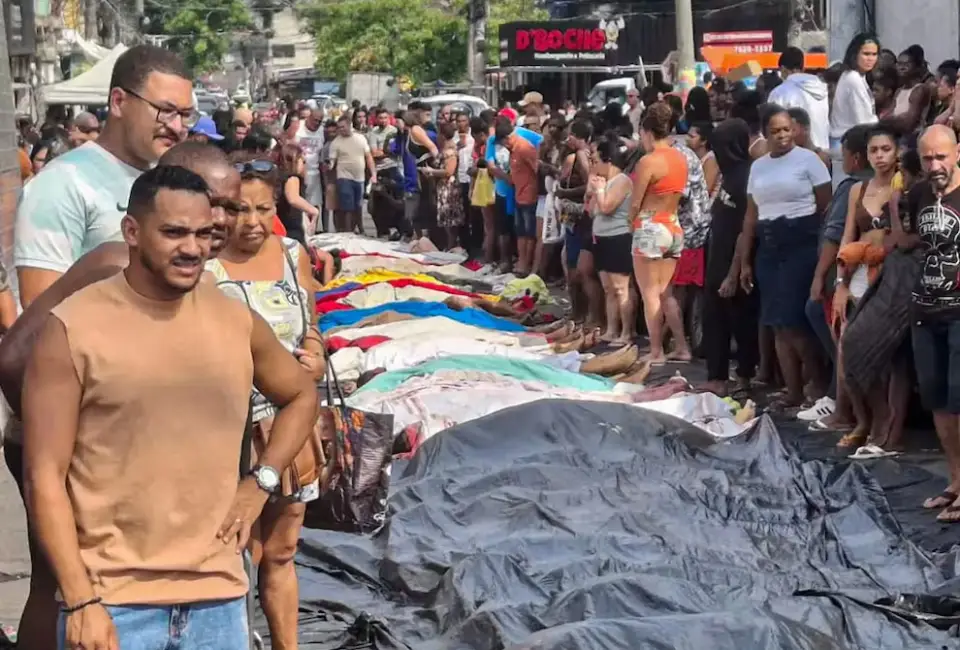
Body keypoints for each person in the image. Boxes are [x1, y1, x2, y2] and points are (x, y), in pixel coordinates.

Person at [21, 165, 319, 650]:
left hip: (218, 601)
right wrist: (79, 600)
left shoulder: (234, 320)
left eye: (203, 234)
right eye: (174, 233)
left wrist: (260, 482)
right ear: (132, 232)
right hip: (113, 603)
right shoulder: (73, 328)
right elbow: (44, 477)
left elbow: (301, 394)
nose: (193, 248)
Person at [206, 157, 325, 649]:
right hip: (229, 431)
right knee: (238, 553)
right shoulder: (204, 265)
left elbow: (311, 321)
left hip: (291, 426)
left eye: (263, 209)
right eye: (239, 209)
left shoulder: (293, 253)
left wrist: (315, 354)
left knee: (282, 550)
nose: (252, 222)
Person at [14, 44, 195, 307]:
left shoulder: (174, 178)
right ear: (119, 102)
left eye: (185, 115)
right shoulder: (62, 183)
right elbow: (39, 303)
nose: (177, 127)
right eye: (165, 111)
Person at [738, 106, 833, 410]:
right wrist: (745, 261)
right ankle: (792, 391)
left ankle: (817, 385)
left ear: (794, 130)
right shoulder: (758, 167)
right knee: (776, 323)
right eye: (775, 131)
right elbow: (751, 215)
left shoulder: (809, 160)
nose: (782, 136)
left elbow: (825, 206)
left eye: (786, 129)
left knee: (794, 321)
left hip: (800, 242)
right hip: (768, 245)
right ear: (765, 133)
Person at [895, 125, 960, 520]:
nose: (935, 165)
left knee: (959, 398)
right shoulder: (918, 194)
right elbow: (908, 243)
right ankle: (955, 481)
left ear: (957, 153)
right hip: (925, 310)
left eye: (941, 157)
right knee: (937, 400)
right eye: (927, 158)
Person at [801, 124, 872, 431]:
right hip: (855, 271)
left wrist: (820, 276)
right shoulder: (869, 185)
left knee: (830, 326)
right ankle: (837, 394)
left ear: (855, 158)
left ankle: (839, 399)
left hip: (844, 272)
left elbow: (835, 236)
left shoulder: (852, 187)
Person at [701, 118, 759, 396]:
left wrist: (732, 274)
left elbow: (744, 230)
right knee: (714, 319)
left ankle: (744, 376)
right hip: (717, 258)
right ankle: (717, 376)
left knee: (741, 321)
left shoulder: (746, 178)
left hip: (733, 263)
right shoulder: (730, 174)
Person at [630, 102, 689, 365]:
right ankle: (682, 347)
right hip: (673, 225)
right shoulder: (680, 158)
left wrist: (630, 224)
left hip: (650, 226)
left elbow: (635, 202)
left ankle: (656, 351)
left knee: (650, 294)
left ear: (647, 131)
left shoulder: (648, 161)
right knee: (666, 293)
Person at [587, 131, 636, 345]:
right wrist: (594, 190)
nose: (593, 165)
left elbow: (607, 207)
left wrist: (599, 191)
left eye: (596, 161)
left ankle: (626, 332)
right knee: (608, 288)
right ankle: (611, 329)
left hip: (618, 237)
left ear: (608, 161)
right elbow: (592, 210)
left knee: (621, 288)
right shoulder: (604, 182)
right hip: (602, 237)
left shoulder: (622, 181)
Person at [830, 33, 880, 188]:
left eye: (874, 54)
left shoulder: (858, 77)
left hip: (849, 146)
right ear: (854, 54)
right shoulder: (853, 79)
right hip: (850, 148)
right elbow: (864, 122)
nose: (870, 59)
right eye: (866, 54)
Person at [768, 46, 830, 151]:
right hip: (822, 149)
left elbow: (772, 125)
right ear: (802, 68)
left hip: (796, 152)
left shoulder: (780, 92)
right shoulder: (821, 88)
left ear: (783, 69)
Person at [330, 115, 377, 234]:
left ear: (350, 125)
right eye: (339, 127)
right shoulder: (336, 142)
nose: (341, 130)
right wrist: (328, 166)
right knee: (347, 206)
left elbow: (368, 157)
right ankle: (348, 231)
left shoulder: (360, 138)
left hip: (359, 178)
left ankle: (360, 228)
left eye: (343, 127)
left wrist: (373, 173)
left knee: (359, 205)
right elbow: (332, 162)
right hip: (344, 177)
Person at [423, 121, 465, 250]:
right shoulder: (445, 150)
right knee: (446, 220)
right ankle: (449, 245)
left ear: (442, 135)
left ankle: (452, 245)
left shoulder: (450, 152)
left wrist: (432, 171)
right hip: (442, 187)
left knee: (450, 220)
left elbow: (448, 171)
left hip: (449, 189)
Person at [890, 45, 933, 135]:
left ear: (916, 67)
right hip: (896, 134)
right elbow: (889, 114)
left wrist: (889, 121)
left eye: (906, 64)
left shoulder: (920, 89)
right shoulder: (899, 91)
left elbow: (908, 124)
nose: (901, 68)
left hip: (912, 137)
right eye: (899, 64)